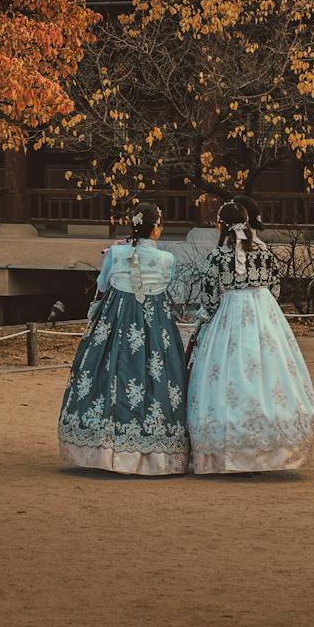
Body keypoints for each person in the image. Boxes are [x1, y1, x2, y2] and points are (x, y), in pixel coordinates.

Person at [183, 197, 314, 474]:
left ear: (222, 226)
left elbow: (209, 298)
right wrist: (262, 304)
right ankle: (269, 447)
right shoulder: (265, 252)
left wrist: (206, 321)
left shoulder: (218, 257)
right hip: (263, 313)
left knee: (226, 376)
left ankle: (225, 449)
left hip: (229, 313)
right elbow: (276, 287)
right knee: (269, 374)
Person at [56, 202, 189, 475]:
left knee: (109, 374)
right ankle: (155, 451)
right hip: (156, 325)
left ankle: (103, 449)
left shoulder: (115, 253)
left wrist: (118, 257)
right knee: (158, 377)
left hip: (115, 321)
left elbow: (103, 285)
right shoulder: (167, 259)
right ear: (156, 228)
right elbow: (166, 284)